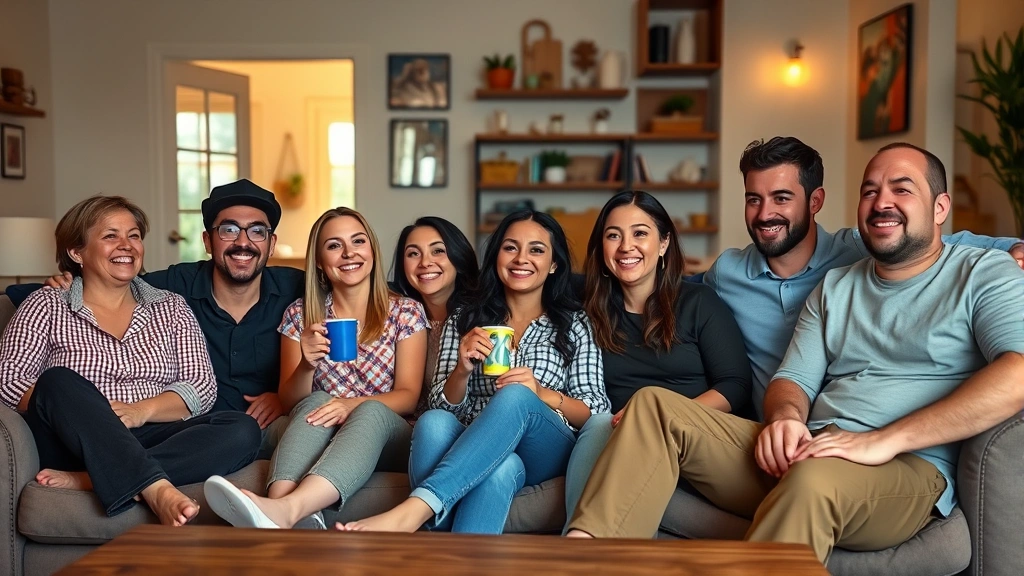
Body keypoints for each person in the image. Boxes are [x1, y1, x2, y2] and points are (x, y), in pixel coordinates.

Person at [565, 143, 1024, 564]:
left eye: (901, 189)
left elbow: (1018, 371)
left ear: (940, 206)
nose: (882, 202)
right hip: (813, 447)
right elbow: (793, 380)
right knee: (653, 406)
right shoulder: (837, 284)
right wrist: (785, 418)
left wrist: (885, 440)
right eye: (870, 191)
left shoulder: (984, 273)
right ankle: (582, 562)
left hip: (907, 468)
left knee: (813, 479)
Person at [702, 136, 1024, 420]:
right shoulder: (727, 273)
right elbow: (675, 293)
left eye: (782, 198)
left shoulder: (862, 249)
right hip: (776, 426)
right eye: (753, 199)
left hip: (849, 426)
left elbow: (931, 238)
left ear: (815, 202)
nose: (764, 214)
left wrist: (1011, 248)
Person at [339, 210, 609, 534]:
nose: (521, 258)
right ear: (496, 257)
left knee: (516, 394)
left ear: (553, 265)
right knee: (437, 425)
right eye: (510, 247)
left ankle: (417, 509)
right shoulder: (466, 318)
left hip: (545, 443)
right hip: (477, 440)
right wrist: (462, 369)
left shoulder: (575, 324)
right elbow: (440, 406)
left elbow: (596, 409)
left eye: (536, 249)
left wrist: (541, 394)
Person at [0, 195, 261, 526]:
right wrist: (91, 410)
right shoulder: (47, 304)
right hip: (73, 440)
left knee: (242, 429)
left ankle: (91, 479)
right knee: (58, 380)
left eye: (134, 235)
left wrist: (141, 411)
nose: (127, 245)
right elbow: (8, 382)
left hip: (152, 432)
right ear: (76, 252)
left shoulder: (171, 307)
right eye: (111, 236)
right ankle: (155, 487)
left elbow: (201, 388)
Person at [203, 207, 428, 529]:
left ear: (372, 251)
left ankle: (285, 507)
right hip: (317, 423)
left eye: (358, 242)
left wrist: (347, 405)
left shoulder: (405, 312)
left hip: (387, 430)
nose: (349, 253)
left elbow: (408, 395)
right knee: (315, 401)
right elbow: (291, 402)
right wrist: (307, 364)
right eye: (334, 245)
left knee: (369, 411)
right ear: (320, 262)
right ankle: (279, 509)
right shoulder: (299, 315)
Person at [46, 179, 305, 445]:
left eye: (257, 231)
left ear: (271, 244)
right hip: (192, 432)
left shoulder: (299, 289)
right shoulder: (173, 286)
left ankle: (109, 474)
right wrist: (69, 280)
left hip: (258, 428)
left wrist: (283, 396)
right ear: (207, 241)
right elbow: (114, 278)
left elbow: (342, 305)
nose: (242, 242)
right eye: (228, 229)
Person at [562, 191, 751, 525]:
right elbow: (525, 276)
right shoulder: (586, 305)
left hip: (694, 439)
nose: (625, 247)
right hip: (617, 442)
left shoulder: (699, 302)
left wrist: (659, 419)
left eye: (640, 233)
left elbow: (734, 386)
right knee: (600, 425)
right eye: (613, 235)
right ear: (601, 246)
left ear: (663, 243)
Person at [391, 216, 480, 398]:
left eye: (437, 251)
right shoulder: (398, 315)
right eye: (413, 254)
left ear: (458, 257)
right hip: (404, 420)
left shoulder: (482, 315)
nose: (425, 263)